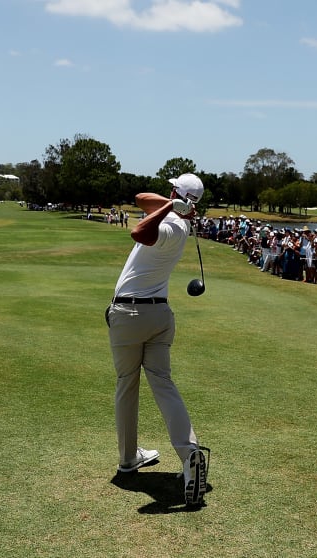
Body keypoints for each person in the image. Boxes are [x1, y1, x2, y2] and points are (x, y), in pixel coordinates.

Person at [106, 172, 208, 507]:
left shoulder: (172, 227)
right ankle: (188, 452)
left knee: (126, 383)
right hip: (160, 316)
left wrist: (170, 207)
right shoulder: (179, 218)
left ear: (177, 194)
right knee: (163, 383)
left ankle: (127, 458)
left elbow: (139, 230)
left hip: (129, 314)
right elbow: (140, 198)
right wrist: (173, 204)